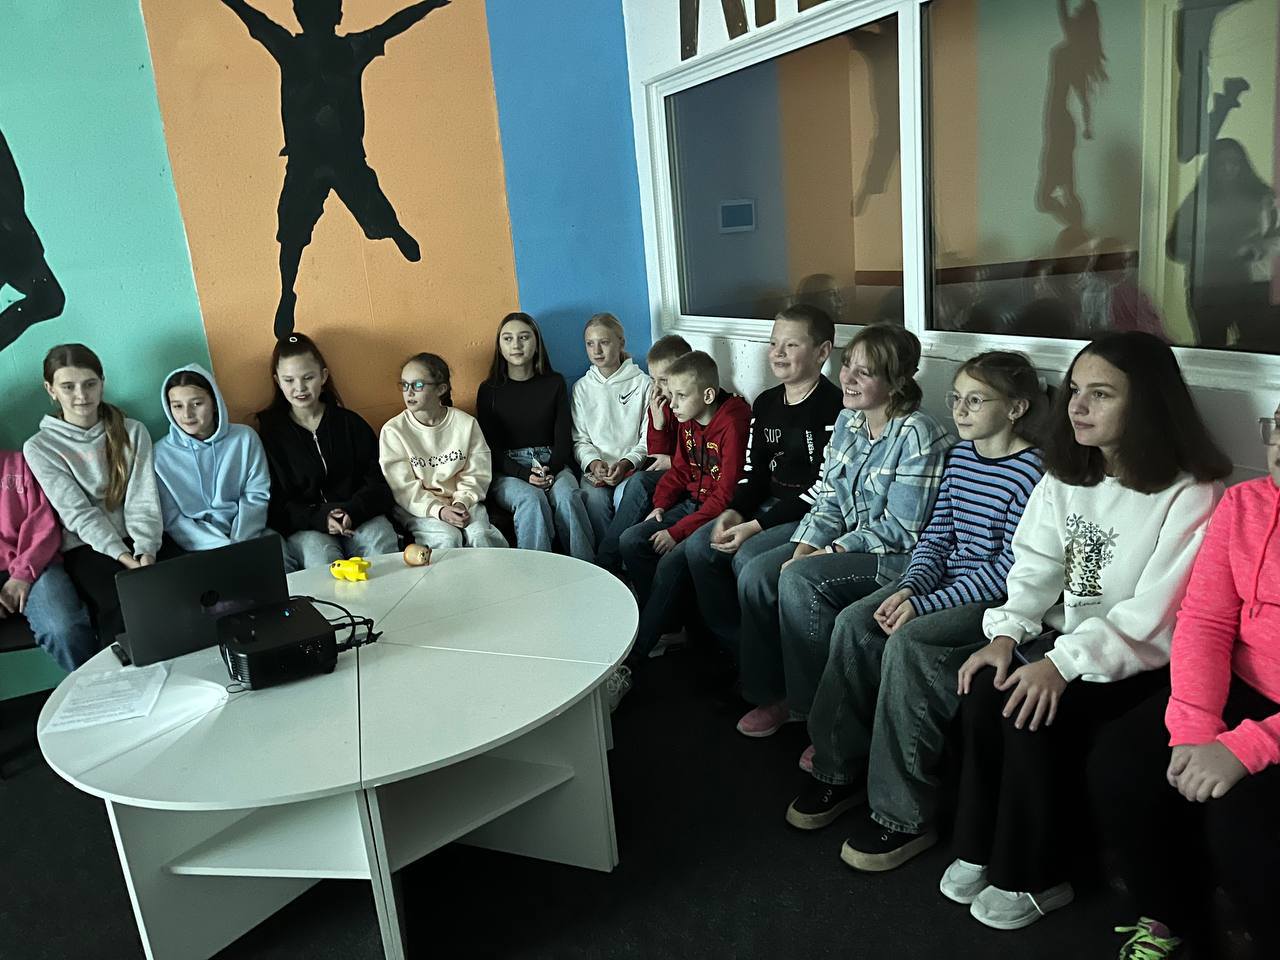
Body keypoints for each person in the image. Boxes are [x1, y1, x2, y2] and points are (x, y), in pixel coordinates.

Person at [940, 332, 1230, 933]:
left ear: (1146, 403)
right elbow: (1035, 565)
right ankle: (981, 844)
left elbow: (1158, 614)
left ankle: (1039, 874)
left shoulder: (1191, 492)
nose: (1077, 406)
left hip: (1143, 661)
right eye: (1075, 390)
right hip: (1073, 646)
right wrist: (1006, 634)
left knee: (1033, 710)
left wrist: (1060, 665)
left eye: (1101, 394)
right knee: (985, 686)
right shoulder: (1067, 475)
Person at [786, 353, 1046, 874]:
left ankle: (903, 815)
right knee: (855, 622)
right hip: (941, 584)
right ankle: (838, 770)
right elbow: (936, 537)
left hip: (993, 600)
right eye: (956, 398)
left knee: (907, 643)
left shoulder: (1032, 472)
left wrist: (923, 605)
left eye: (976, 400)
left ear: (1016, 408)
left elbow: (1010, 570)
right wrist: (908, 586)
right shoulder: (963, 457)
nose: (961, 410)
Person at [1094, 403, 1280, 959]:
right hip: (1243, 683)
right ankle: (1172, 919)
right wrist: (1194, 727)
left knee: (1242, 821)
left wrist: (1247, 747)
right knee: (1123, 763)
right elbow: (1206, 619)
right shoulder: (1244, 504)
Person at [736, 323, 950, 738]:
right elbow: (829, 499)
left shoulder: (918, 434)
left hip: (896, 559)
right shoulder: (849, 421)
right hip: (852, 542)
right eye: (847, 365)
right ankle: (774, 692)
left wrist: (829, 552)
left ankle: (816, 711)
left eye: (863, 372)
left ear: (896, 382)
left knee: (800, 579)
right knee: (757, 573)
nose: (846, 377)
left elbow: (901, 531)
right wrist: (805, 546)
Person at [218, 0, 451, 338]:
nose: (318, 20)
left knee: (369, 204)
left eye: (324, 13)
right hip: (305, 159)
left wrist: (430, 4)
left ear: (337, 16)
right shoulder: (291, 49)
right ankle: (287, 292)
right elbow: (254, 18)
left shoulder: (350, 49)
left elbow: (395, 24)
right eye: (312, 13)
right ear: (300, 15)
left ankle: (393, 229)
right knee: (292, 230)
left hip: (344, 156)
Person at [685, 305, 842, 661]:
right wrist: (733, 512)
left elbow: (823, 488)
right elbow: (753, 472)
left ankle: (767, 664)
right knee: (698, 548)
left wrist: (754, 526)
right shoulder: (767, 402)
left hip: (806, 513)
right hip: (765, 505)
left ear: (822, 352)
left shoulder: (835, 407)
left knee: (747, 560)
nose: (778, 353)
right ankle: (738, 649)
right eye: (774, 344)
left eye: (791, 345)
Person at [23, 344, 163, 646]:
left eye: (89, 384)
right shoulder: (40, 447)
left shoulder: (133, 431)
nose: (81, 395)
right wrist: (125, 559)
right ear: (51, 390)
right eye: (68, 386)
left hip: (141, 537)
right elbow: (76, 512)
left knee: (177, 591)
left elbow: (143, 500)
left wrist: (146, 551)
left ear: (102, 383)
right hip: (87, 545)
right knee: (121, 605)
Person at [617, 350, 750, 662]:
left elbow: (726, 495)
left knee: (669, 563)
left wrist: (676, 532)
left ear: (707, 395)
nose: (672, 403)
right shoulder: (687, 420)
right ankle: (669, 625)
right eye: (671, 394)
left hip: (720, 514)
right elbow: (679, 469)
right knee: (631, 540)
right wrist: (660, 506)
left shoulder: (733, 422)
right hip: (691, 504)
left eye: (680, 396)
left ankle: (634, 657)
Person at [256, 333, 398, 569]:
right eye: (289, 380)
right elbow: (275, 503)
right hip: (306, 527)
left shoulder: (350, 424)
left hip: (360, 515)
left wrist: (352, 510)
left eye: (308, 377)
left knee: (379, 541)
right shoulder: (271, 435)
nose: (300, 388)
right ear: (278, 381)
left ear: (323, 376)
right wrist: (321, 517)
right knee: (320, 557)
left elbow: (378, 483)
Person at [476, 313, 589, 559]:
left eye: (524, 337)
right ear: (500, 346)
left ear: (536, 343)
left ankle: (587, 568)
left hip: (551, 462)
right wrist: (524, 474)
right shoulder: (489, 390)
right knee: (531, 499)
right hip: (509, 470)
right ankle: (536, 572)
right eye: (508, 339)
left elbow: (563, 437)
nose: (516, 345)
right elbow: (489, 449)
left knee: (568, 496)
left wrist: (550, 470)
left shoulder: (554, 382)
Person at [379, 352, 506, 551]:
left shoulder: (466, 424)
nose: (409, 392)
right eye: (404, 385)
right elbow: (403, 488)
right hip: (419, 507)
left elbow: (477, 473)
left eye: (418, 385)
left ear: (441, 389)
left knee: (480, 535)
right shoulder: (394, 431)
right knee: (447, 538)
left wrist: (462, 502)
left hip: (464, 502)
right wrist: (439, 510)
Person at [154, 364, 274, 555]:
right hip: (197, 547)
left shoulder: (244, 438)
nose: (187, 414)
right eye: (177, 406)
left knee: (283, 562)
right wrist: (222, 547)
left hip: (249, 535)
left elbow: (256, 494)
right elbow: (172, 518)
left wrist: (239, 542)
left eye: (196, 404)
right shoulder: (160, 455)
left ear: (215, 403)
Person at [596, 333, 691, 573]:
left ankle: (606, 562)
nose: (656, 387)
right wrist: (658, 425)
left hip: (687, 475)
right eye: (653, 379)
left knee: (639, 482)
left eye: (663, 380)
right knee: (638, 482)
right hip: (674, 472)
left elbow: (697, 457)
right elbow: (656, 456)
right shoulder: (661, 401)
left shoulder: (692, 402)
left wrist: (673, 461)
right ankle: (609, 561)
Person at [0, 450, 96, 671]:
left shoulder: (19, 464)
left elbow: (43, 523)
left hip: (34, 562)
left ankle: (92, 685)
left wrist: (23, 575)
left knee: (63, 628)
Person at [571, 313, 651, 550]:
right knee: (593, 501)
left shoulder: (643, 383)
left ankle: (621, 560)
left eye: (604, 342)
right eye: (590, 344)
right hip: (596, 472)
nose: (596, 350)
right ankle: (605, 563)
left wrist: (626, 463)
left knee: (623, 498)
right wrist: (594, 463)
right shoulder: (581, 388)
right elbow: (580, 439)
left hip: (632, 469)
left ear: (621, 343)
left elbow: (648, 438)